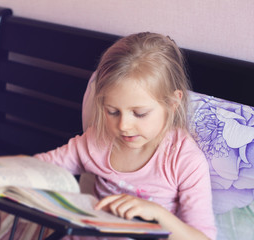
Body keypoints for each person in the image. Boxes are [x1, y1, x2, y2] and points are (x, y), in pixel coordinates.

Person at [34, 32, 216, 240]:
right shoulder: (98, 140)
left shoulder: (183, 160)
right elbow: (42, 168)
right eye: (112, 111)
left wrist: (158, 214)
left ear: (172, 105)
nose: (123, 126)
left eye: (139, 114)